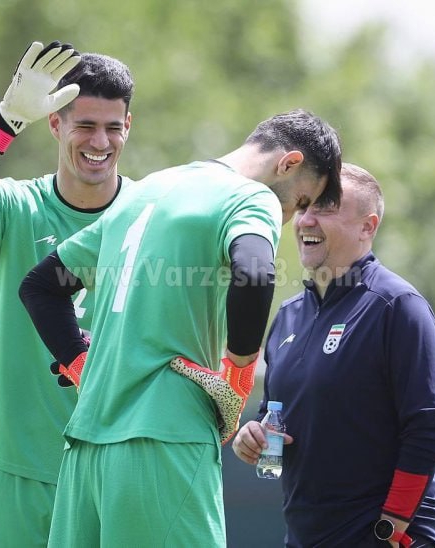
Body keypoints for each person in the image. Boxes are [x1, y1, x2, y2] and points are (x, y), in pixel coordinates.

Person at [18, 109, 342, 547]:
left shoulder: (146, 189)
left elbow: (40, 287)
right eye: (301, 201)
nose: (293, 217)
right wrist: (240, 370)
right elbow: (254, 273)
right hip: (164, 439)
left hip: (84, 448)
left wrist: (80, 362)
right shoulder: (249, 196)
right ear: (288, 163)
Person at [0, 41, 135, 547]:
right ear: (55, 124)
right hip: (23, 459)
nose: (99, 141)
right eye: (84, 125)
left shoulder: (150, 212)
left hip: (117, 457)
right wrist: (3, 123)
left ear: (129, 126)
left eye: (113, 127)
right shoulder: (16, 204)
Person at [232, 163, 435, 548]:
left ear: (367, 227)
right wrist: (252, 436)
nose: (307, 220)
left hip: (382, 537)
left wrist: (391, 527)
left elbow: (429, 430)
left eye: (327, 208)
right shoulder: (287, 315)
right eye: (305, 207)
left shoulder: (397, 306)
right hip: (304, 537)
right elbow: (275, 414)